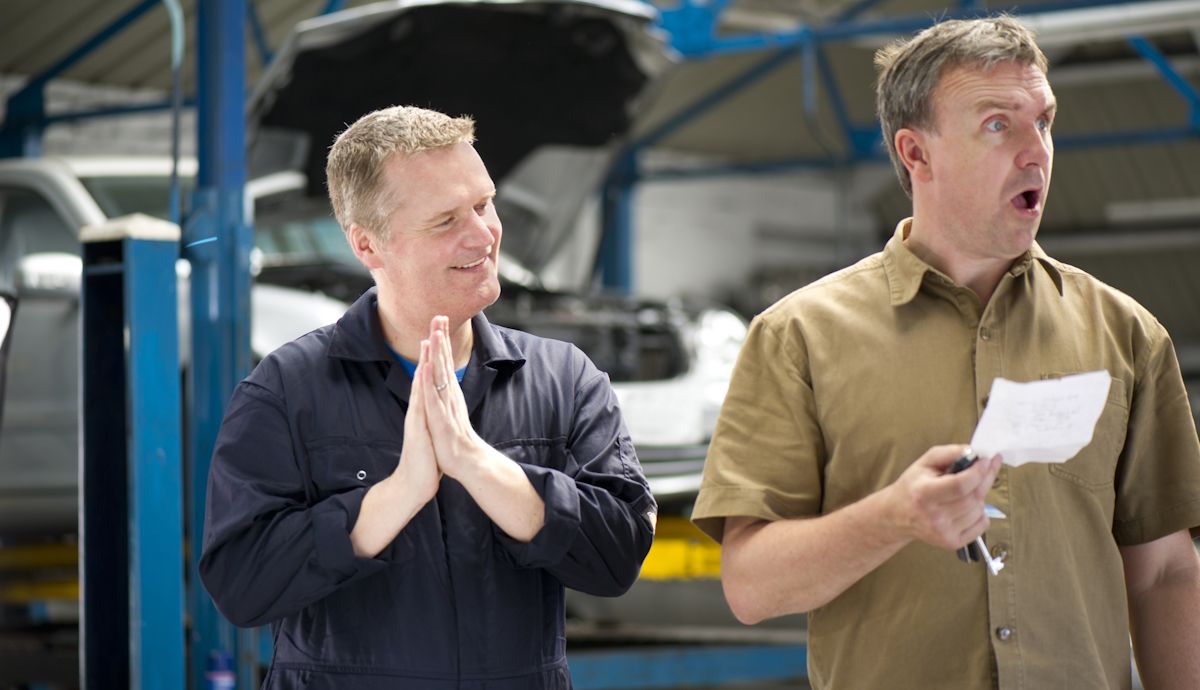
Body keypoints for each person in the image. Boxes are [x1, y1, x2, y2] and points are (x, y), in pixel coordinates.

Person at [692, 16, 1200, 690]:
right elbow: (752, 587)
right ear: (916, 154)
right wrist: (893, 517)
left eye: (1043, 121)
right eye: (999, 125)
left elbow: (1166, 570)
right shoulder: (799, 337)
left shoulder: (1127, 334)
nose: (1036, 151)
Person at [199, 106, 656, 689]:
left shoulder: (565, 379)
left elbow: (617, 558)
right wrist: (397, 495)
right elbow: (242, 586)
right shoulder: (286, 393)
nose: (483, 235)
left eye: (484, 204)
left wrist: (478, 463)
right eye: (444, 221)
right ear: (368, 246)